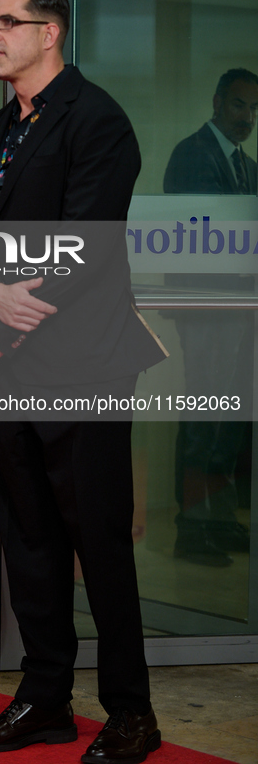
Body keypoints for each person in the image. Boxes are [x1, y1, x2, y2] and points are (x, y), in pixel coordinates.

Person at [0, 0, 166, 763]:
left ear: (51, 32)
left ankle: (131, 713)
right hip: (7, 372)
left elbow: (83, 246)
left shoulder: (97, 120)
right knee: (29, 538)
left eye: (8, 21)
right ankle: (44, 699)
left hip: (82, 367)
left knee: (97, 540)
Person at [164, 68, 257, 566]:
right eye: (240, 105)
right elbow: (199, 239)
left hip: (242, 314)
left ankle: (219, 520)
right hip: (207, 311)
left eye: (255, 109)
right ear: (218, 102)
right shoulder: (192, 155)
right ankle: (192, 529)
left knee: (229, 420)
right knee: (204, 415)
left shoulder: (249, 167)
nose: (248, 117)